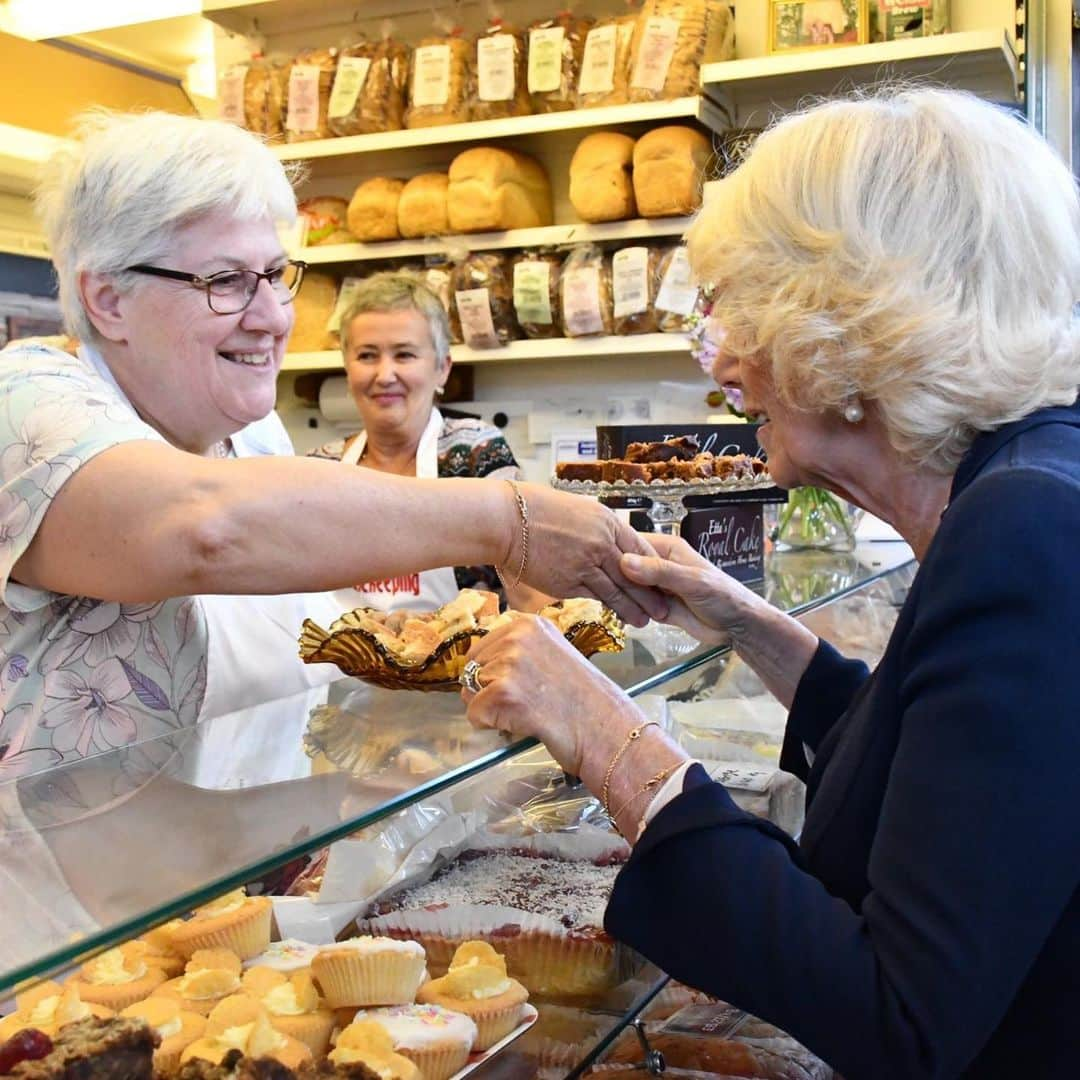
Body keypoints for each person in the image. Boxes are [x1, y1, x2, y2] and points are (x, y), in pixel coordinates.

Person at [460, 87, 1080, 1079]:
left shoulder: (1026, 528)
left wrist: (612, 743)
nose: (723, 364)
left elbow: (902, 1021)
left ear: (847, 318)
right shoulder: (1030, 480)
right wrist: (749, 623)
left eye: (734, 306)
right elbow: (952, 780)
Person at [0, 108, 663, 785]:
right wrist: (509, 520)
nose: (272, 318)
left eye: (275, 274)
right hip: (53, 885)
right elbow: (204, 530)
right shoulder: (25, 401)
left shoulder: (250, 434)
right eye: (226, 281)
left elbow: (303, 667)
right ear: (109, 300)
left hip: (239, 870)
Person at [309, 272, 547, 613]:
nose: (385, 374)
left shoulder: (475, 451)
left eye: (404, 355)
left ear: (442, 369)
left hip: (465, 663)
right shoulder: (320, 468)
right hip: (339, 666)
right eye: (366, 356)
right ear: (347, 368)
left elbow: (530, 587)